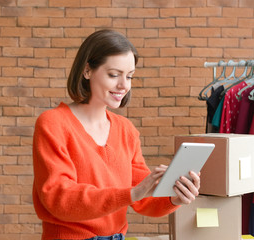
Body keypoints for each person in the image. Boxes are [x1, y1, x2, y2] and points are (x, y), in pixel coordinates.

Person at [32, 29, 201, 240]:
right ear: (87, 71)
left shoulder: (126, 130)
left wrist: (175, 197)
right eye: (114, 75)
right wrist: (132, 193)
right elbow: (60, 198)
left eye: (129, 76)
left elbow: (142, 198)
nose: (124, 86)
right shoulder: (53, 123)